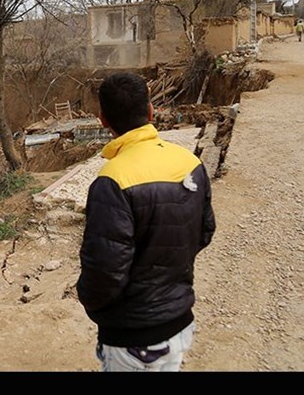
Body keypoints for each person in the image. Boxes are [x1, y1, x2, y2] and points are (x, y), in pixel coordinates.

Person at [76, 72, 216, 372]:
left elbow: (104, 271)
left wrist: (92, 302)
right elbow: (204, 232)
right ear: (151, 112)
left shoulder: (112, 180)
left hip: (133, 336)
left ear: (103, 120)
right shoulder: (190, 163)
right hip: (180, 322)